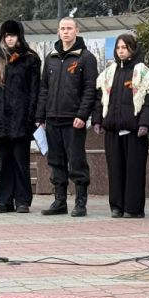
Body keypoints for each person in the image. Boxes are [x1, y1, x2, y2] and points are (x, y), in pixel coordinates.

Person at [36, 17, 99, 217]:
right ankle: (59, 201)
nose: (65, 32)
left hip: (73, 120)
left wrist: (82, 114)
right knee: (55, 161)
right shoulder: (51, 58)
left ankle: (80, 202)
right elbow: (44, 88)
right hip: (52, 118)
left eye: (69, 28)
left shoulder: (86, 57)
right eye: (62, 28)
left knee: (77, 161)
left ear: (77, 31)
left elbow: (90, 89)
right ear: (58, 32)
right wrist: (40, 116)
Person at [91, 33, 149, 218]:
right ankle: (117, 206)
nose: (121, 51)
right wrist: (97, 120)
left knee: (134, 170)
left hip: (135, 131)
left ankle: (133, 208)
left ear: (133, 49)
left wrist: (145, 123)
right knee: (115, 169)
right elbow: (100, 99)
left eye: (125, 47)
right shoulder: (108, 73)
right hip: (112, 129)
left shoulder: (143, 72)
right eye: (118, 48)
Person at [0, 20, 41, 213]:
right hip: (0, 119)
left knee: (20, 160)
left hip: (20, 118)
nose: (9, 39)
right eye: (6, 35)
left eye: (13, 35)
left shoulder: (30, 59)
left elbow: (34, 90)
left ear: (19, 36)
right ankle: (3, 200)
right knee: (3, 160)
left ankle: (22, 200)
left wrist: (32, 116)